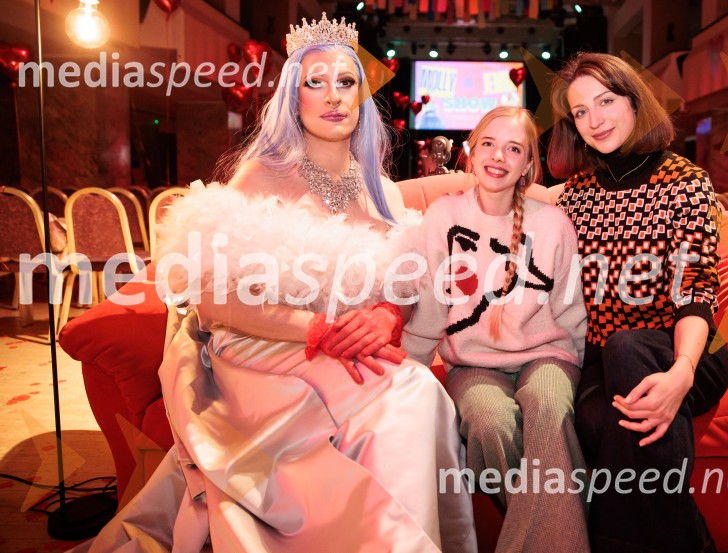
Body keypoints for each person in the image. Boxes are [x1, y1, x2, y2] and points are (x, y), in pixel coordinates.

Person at [71, 14, 476, 553]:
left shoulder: (382, 189)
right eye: (316, 83)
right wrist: (316, 328)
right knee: (410, 393)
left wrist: (387, 314)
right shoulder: (261, 175)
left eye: (346, 82)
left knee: (417, 394)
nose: (333, 97)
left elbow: (409, 279)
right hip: (262, 350)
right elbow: (213, 299)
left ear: (361, 96)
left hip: (343, 348)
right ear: (294, 97)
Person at [547, 51, 728, 552]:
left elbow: (695, 289)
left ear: (634, 102)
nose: (595, 120)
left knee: (630, 348)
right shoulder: (574, 197)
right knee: (600, 419)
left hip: (687, 349)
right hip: (603, 359)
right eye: (580, 112)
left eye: (605, 101)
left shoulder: (684, 182)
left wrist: (682, 372)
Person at [404, 106, 590, 552]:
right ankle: (570, 526)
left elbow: (571, 312)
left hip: (547, 356)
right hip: (473, 364)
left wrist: (580, 377)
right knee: (489, 424)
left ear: (529, 165)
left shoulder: (553, 224)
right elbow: (430, 303)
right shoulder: (443, 216)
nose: (498, 157)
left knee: (547, 405)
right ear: (470, 151)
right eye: (488, 144)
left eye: (514, 149)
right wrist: (406, 366)